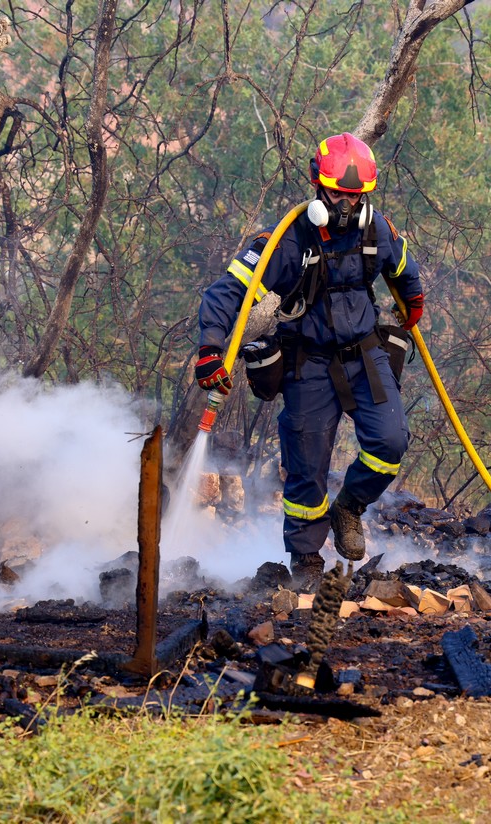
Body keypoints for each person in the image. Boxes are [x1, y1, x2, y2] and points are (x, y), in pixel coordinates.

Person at [195, 132, 424, 587]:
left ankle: (349, 509)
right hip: (308, 364)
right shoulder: (284, 240)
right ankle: (306, 563)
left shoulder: (377, 231)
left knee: (391, 442)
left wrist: (412, 300)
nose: (345, 205)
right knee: (306, 467)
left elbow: (404, 270)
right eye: (338, 193)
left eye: (355, 196)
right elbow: (226, 293)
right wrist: (209, 349)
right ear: (317, 187)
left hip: (364, 355)